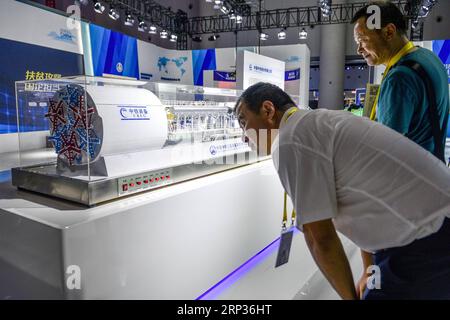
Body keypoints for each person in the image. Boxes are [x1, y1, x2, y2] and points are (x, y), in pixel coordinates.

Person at [235, 82, 450, 300]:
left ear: (268, 110)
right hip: (427, 229)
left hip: (428, 238)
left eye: (243, 122)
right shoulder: (318, 122)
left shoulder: (291, 140)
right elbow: (363, 200)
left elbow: (320, 237)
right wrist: (368, 270)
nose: (244, 136)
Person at [352, 1, 449, 157]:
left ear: (389, 32)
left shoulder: (399, 78)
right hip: (433, 169)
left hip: (409, 176)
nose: (359, 50)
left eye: (363, 40)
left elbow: (385, 153)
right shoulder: (428, 58)